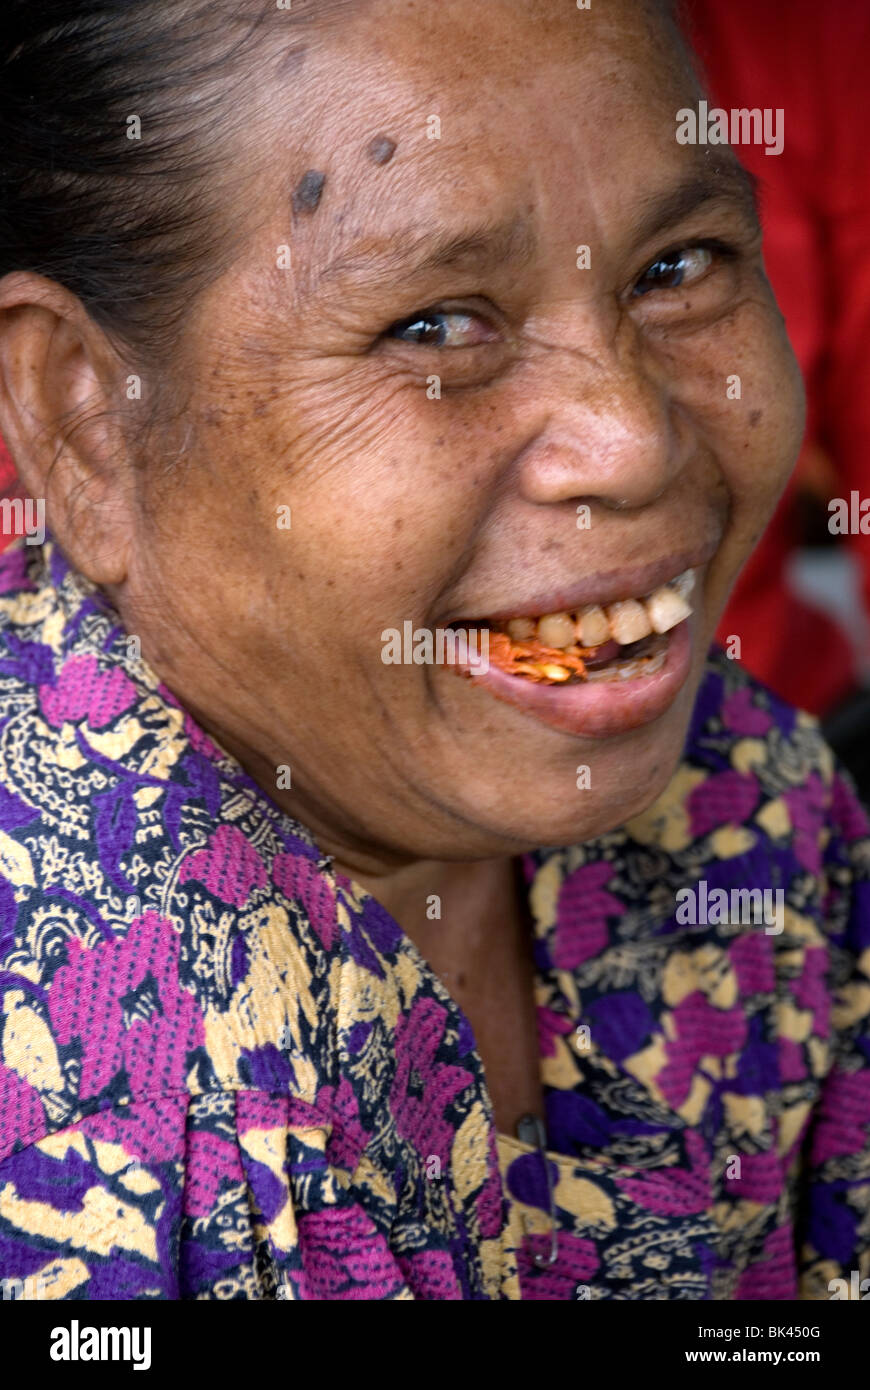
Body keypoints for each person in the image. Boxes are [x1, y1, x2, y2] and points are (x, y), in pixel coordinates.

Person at [0, 0, 867, 1301]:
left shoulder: (758, 809)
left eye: (676, 266)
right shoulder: (70, 1121)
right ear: (85, 420)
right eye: (433, 325)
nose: (631, 437)